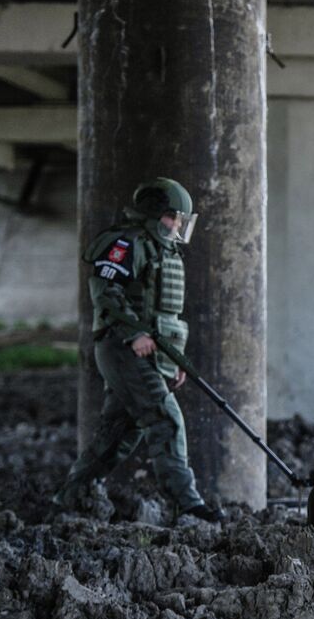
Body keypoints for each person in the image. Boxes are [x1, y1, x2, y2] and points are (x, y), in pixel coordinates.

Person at [53, 177, 225, 522]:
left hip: (145, 352)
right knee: (165, 418)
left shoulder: (159, 249)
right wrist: (133, 334)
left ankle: (72, 496)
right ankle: (188, 504)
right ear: (157, 214)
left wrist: (171, 361)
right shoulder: (125, 243)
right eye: (174, 217)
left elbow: (160, 314)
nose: (177, 226)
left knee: (119, 434)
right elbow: (105, 291)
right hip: (122, 348)